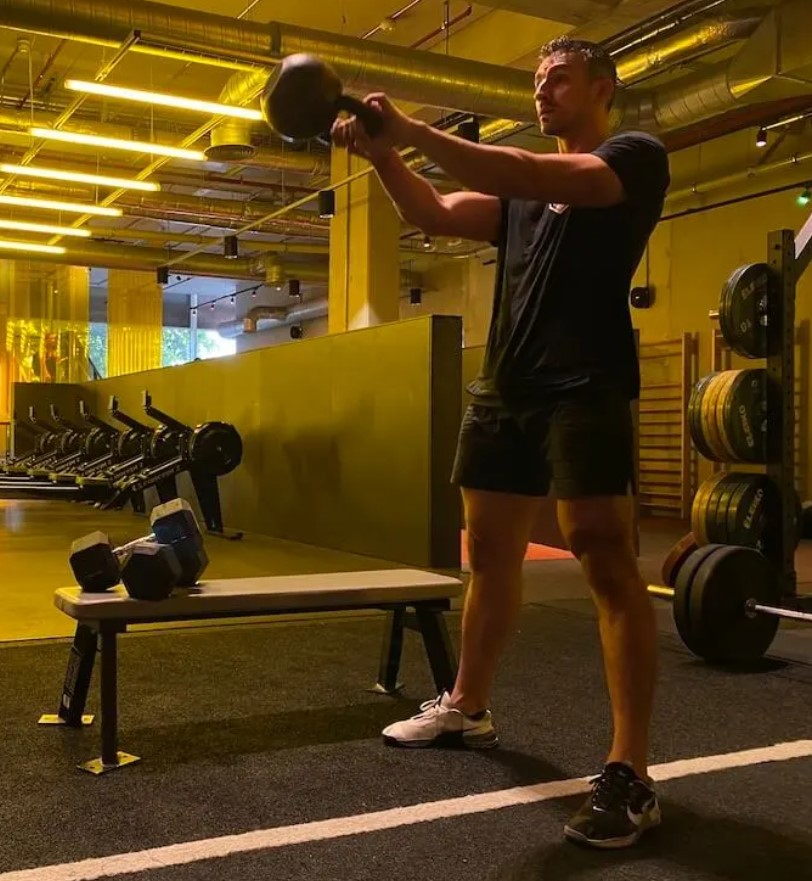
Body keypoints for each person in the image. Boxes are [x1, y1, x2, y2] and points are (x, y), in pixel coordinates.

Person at [331, 37, 670, 850]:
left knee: (603, 554)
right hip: (508, 390)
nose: (543, 91)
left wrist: (409, 130)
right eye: (537, 82)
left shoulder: (632, 158)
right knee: (486, 553)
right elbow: (438, 212)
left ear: (602, 84)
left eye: (556, 78)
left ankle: (630, 770)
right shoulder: (519, 197)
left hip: (585, 384)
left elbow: (529, 174)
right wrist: (384, 159)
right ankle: (467, 705)